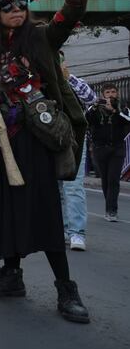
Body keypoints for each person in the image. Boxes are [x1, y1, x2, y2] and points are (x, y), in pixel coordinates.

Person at [0, 0, 91, 324]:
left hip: (36, 140)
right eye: (9, 7)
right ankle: (11, 274)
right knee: (4, 208)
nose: (18, 10)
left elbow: (70, 13)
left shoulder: (40, 37)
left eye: (22, 5)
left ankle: (66, 289)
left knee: (45, 212)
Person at [59, 55, 95, 250]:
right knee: (55, 189)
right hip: (52, 141)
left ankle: (77, 233)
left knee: (73, 187)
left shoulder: (75, 82)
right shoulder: (41, 83)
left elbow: (91, 99)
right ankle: (62, 230)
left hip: (75, 142)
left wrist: (68, 78)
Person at [85, 82, 130, 222]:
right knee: (105, 180)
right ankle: (108, 205)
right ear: (103, 95)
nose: (111, 95)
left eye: (113, 92)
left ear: (117, 93)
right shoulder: (95, 108)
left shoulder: (123, 109)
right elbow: (85, 120)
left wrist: (116, 111)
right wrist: (95, 107)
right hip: (100, 149)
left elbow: (127, 121)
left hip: (117, 149)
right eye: (108, 93)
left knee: (113, 179)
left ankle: (112, 210)